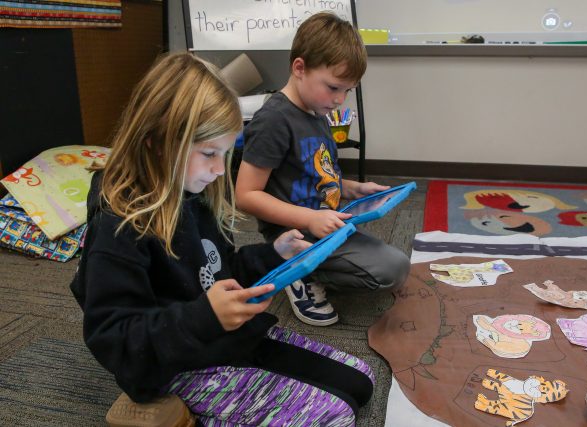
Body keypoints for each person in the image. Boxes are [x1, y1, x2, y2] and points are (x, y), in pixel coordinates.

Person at [70, 52, 373, 426]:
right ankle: (162, 412)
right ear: (157, 142)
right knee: (336, 415)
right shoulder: (118, 225)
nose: (219, 171)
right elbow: (112, 339)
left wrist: (273, 255)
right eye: (210, 154)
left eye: (225, 154)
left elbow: (219, 270)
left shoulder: (192, 192)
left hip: (218, 337)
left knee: (361, 380)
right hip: (173, 362)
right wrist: (204, 316)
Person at [236, 12, 411, 326]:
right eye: (333, 88)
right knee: (391, 270)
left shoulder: (315, 108)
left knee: (396, 266)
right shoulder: (274, 120)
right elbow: (245, 195)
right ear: (299, 68)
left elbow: (316, 173)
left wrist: (354, 188)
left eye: (347, 90)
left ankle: (310, 266)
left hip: (324, 223)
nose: (340, 100)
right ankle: (293, 270)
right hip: (295, 232)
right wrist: (310, 218)